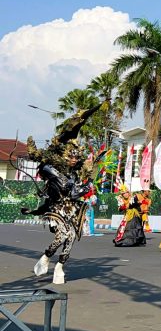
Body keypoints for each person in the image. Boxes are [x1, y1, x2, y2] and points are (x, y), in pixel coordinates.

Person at [21, 104, 103, 284]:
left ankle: (59, 265)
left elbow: (78, 191)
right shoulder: (53, 168)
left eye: (76, 158)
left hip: (71, 208)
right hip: (56, 208)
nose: (74, 160)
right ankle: (46, 256)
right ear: (65, 156)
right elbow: (61, 184)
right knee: (64, 234)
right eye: (70, 157)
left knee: (72, 236)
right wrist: (34, 211)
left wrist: (90, 176)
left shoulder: (75, 174)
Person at [113, 181, 146, 247]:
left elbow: (138, 205)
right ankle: (124, 240)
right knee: (124, 228)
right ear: (122, 195)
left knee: (134, 227)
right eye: (124, 193)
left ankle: (136, 241)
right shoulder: (120, 199)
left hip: (134, 214)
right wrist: (122, 207)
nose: (125, 194)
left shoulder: (133, 198)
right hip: (127, 215)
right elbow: (119, 209)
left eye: (126, 193)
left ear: (129, 193)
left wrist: (136, 204)